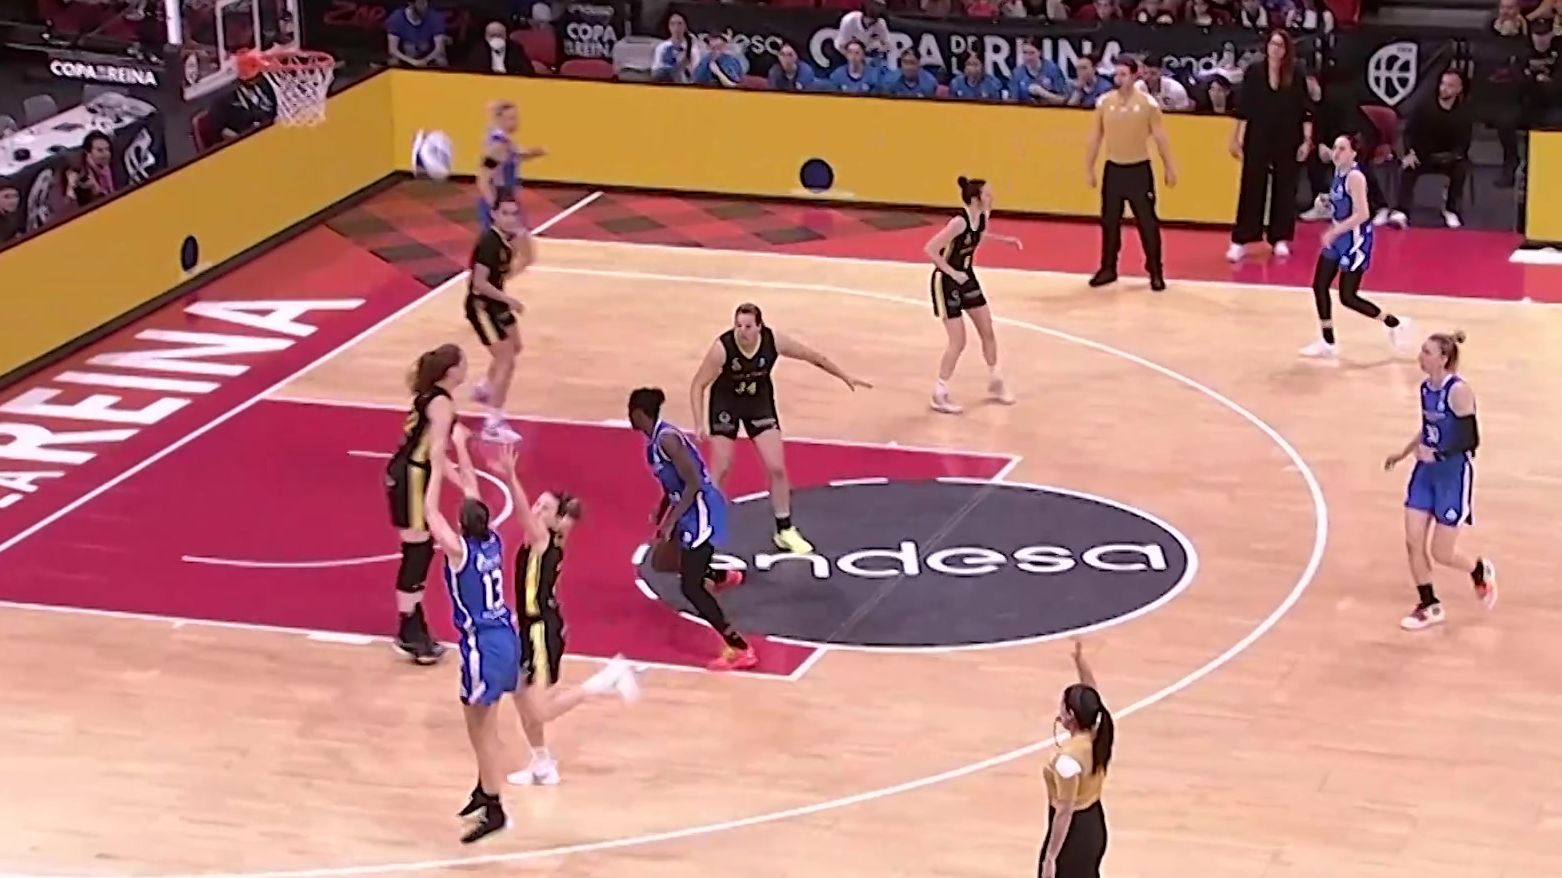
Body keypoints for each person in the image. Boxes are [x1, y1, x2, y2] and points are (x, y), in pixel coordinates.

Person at [488, 446, 640, 787]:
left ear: (554, 521)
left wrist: (511, 477)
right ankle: (542, 765)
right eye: (537, 503)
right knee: (520, 697)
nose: (536, 509)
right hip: (529, 628)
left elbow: (522, 514)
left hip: (541, 631)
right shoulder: (547, 537)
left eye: (544, 508)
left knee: (539, 709)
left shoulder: (543, 539)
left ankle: (607, 678)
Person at [691, 303, 872, 555]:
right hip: (726, 405)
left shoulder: (773, 341)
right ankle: (707, 529)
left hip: (758, 404)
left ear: (759, 326)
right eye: (738, 326)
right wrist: (699, 422)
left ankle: (784, 530)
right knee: (720, 469)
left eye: (748, 326)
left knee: (776, 467)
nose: (742, 331)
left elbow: (812, 356)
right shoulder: (722, 349)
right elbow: (698, 384)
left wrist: (844, 376)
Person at [425, 446, 516, 844]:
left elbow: (431, 513)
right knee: (477, 719)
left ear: (463, 526)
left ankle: (494, 807)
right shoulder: (493, 541)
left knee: (483, 729)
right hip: (504, 638)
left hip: (483, 646)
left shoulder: (459, 552)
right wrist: (459, 448)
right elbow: (471, 489)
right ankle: (485, 785)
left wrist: (432, 470)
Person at [627, 387, 755, 671]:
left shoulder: (667, 440)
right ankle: (721, 575)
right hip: (686, 510)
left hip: (700, 512)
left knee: (691, 587)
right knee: (662, 562)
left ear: (638, 413)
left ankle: (740, 648)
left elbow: (694, 482)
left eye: (631, 412)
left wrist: (671, 520)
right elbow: (673, 483)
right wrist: (662, 508)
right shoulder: (653, 442)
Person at [1384, 332, 1498, 632]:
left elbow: (1470, 439)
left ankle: (1478, 570)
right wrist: (1403, 452)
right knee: (1413, 542)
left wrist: (1438, 454)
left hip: (1452, 476)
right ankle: (1429, 605)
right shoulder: (1425, 388)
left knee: (1441, 553)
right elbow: (1428, 429)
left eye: (1426, 352)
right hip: (1425, 474)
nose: (1420, 357)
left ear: (1443, 358)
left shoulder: (1459, 391)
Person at [385, 344, 478, 664]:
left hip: (411, 471)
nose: (466, 369)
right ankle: (408, 629)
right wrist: (439, 494)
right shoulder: (440, 403)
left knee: (420, 550)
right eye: (463, 364)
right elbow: (436, 453)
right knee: (417, 551)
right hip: (413, 476)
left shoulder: (435, 397)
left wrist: (464, 485)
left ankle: (412, 619)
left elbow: (435, 453)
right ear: (451, 371)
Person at [1300, 134, 1410, 360]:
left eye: (1342, 148)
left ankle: (1394, 323)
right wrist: (1327, 204)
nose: (1336, 153)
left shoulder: (1355, 177)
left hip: (1355, 241)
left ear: (1353, 153)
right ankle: (1328, 341)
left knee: (1348, 296)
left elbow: (1362, 214)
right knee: (1319, 285)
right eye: (1335, 147)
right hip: (1339, 236)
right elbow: (1342, 206)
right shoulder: (1338, 173)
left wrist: (1334, 231)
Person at [924, 176, 1023, 413]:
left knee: (987, 330)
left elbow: (977, 236)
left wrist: (1004, 241)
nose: (992, 197)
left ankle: (995, 380)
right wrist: (953, 273)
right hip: (946, 280)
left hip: (967, 277)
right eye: (987, 194)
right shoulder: (958, 222)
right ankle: (939, 392)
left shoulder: (983, 217)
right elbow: (930, 249)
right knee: (958, 341)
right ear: (976, 199)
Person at [1085, 57, 1177, 293]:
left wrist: (1169, 166)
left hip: (1138, 170)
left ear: (1135, 75)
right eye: (1116, 74)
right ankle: (1108, 268)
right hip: (1114, 170)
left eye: (1123, 74)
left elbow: (1160, 137)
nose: (1119, 79)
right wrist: (1089, 167)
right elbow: (1096, 136)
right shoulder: (1104, 102)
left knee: (1147, 223)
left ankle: (1155, 270)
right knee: (1110, 222)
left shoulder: (1147, 104)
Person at [1227, 29, 1312, 263]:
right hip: (1258, 135)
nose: (1275, 49)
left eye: (1280, 45)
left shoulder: (1296, 73)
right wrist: (1236, 138)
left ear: (1287, 50)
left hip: (1288, 135)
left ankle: (1280, 238)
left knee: (1285, 187)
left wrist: (1306, 140)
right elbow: (1243, 108)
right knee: (1252, 185)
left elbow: (1305, 109)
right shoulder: (1254, 72)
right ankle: (1241, 240)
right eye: (1272, 44)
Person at [1039, 641, 1115, 878]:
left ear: (1070, 715)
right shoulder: (1097, 734)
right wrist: (1079, 661)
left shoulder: (1067, 761)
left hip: (1073, 836)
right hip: (1095, 825)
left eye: (1063, 705)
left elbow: (1065, 811)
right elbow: (1093, 698)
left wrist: (1051, 857)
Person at [466, 192, 526, 444]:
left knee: (516, 346)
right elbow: (479, 283)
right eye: (505, 213)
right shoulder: (488, 243)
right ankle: (492, 424)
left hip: (496, 303)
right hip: (482, 307)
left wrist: (523, 240)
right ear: (493, 214)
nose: (510, 218)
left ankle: (485, 388)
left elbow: (523, 263)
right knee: (506, 359)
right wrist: (508, 299)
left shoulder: (507, 240)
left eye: (514, 213)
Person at [1389, 70, 1474, 229]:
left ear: (1459, 89)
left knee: (1460, 169)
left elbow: (1464, 142)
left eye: (1450, 85)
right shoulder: (1424, 107)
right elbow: (1409, 132)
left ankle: (1451, 209)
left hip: (1448, 158)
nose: (1444, 88)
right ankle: (1401, 211)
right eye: (1442, 84)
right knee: (1407, 168)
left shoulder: (1464, 113)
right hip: (1422, 156)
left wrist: (1454, 155)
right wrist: (1410, 152)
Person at [477, 100, 545, 237]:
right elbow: (483, 179)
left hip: (507, 197)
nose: (516, 122)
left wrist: (534, 153)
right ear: (500, 120)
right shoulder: (498, 146)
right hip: (499, 198)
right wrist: (495, 207)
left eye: (516, 117)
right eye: (511, 118)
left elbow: (516, 155)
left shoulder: (505, 141)